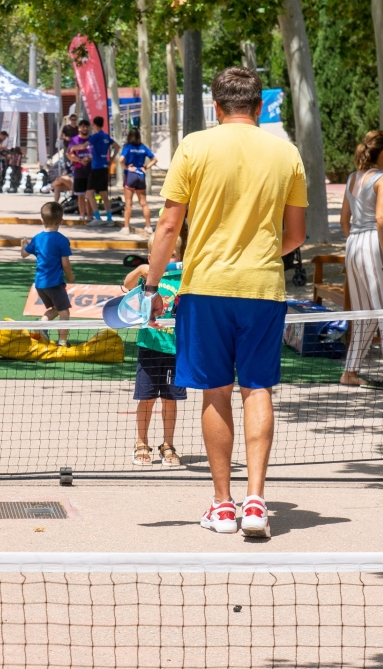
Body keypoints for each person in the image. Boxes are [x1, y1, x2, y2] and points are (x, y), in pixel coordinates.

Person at [145, 66, 307, 540]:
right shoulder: (286, 152)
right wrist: (253, 256)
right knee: (257, 389)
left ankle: (222, 505)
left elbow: (169, 228)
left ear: (216, 108)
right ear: (259, 107)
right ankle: (256, 501)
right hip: (262, 288)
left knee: (214, 392)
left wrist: (152, 288)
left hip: (204, 287)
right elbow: (295, 236)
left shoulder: (194, 146)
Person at [340, 130, 383, 394]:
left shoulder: (352, 178)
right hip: (375, 244)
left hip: (353, 244)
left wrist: (356, 244)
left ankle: (350, 372)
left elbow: (344, 220)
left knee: (363, 313)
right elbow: (381, 219)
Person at [121, 223, 188, 468]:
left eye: (172, 254)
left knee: (170, 400)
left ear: (179, 256)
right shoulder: (148, 278)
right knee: (147, 398)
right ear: (152, 257)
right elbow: (126, 287)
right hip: (149, 346)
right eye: (163, 253)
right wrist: (140, 268)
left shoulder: (185, 278)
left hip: (175, 350)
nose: (168, 258)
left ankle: (168, 445)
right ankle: (141, 443)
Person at [21, 202, 75, 347]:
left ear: (42, 220)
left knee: (56, 309)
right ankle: (62, 342)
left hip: (39, 284)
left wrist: (24, 245)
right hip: (55, 283)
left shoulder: (37, 238)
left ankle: (42, 323)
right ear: (61, 221)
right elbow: (65, 264)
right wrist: (70, 276)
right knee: (64, 313)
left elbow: (24, 254)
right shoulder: (62, 240)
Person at [118, 127, 156, 234]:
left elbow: (121, 160)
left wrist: (126, 167)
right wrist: (146, 167)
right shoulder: (143, 147)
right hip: (141, 175)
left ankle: (126, 227)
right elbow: (155, 159)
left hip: (130, 175)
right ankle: (148, 226)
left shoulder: (127, 147)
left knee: (129, 204)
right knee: (143, 203)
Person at [87, 116, 117, 225]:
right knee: (103, 193)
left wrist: (74, 148)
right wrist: (111, 159)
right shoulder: (106, 136)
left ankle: (97, 217)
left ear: (94, 125)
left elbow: (85, 145)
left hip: (96, 168)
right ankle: (109, 219)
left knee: (89, 192)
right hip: (104, 167)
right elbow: (117, 146)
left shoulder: (95, 136)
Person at [68, 119, 93, 220]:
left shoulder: (92, 139)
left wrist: (90, 158)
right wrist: (80, 160)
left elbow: (97, 153)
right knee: (80, 195)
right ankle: (82, 215)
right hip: (79, 170)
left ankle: (90, 216)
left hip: (91, 170)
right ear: (79, 128)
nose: (85, 128)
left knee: (90, 195)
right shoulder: (74, 140)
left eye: (86, 126)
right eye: (83, 126)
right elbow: (70, 154)